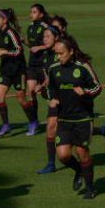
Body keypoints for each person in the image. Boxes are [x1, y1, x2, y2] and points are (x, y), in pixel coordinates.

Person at [46, 37, 102, 199]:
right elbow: (50, 88)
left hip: (83, 118)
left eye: (61, 53)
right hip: (63, 118)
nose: (58, 57)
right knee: (62, 155)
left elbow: (97, 88)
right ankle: (78, 170)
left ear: (71, 52)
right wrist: (52, 98)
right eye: (56, 54)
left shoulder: (83, 67)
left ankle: (90, 188)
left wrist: (85, 92)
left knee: (82, 152)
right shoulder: (54, 69)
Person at [0, 8, 34, 137]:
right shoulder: (0, 32)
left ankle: (33, 122)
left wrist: (3, 52)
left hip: (18, 71)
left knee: (21, 99)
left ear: (5, 20)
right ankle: (6, 125)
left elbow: (19, 51)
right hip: (5, 71)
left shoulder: (11, 32)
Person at [36, 25, 63, 174]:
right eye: (44, 37)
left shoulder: (62, 53)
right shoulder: (45, 55)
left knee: (77, 131)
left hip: (67, 98)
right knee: (51, 129)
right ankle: (51, 163)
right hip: (54, 98)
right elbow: (49, 76)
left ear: (56, 38)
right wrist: (42, 85)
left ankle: (104, 130)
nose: (44, 39)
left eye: (48, 36)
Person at [25, 4, 53, 136]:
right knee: (30, 92)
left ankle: (55, 118)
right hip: (32, 64)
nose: (32, 14)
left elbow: (50, 44)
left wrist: (39, 48)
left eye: (34, 12)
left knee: (47, 94)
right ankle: (34, 122)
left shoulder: (45, 27)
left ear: (41, 14)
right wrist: (24, 42)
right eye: (31, 12)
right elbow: (31, 45)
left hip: (43, 64)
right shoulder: (30, 27)